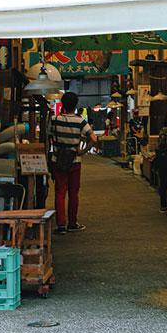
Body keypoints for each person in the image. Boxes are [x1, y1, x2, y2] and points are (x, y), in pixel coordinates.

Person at [51, 91, 97, 233]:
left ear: (63, 104)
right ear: (76, 105)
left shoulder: (54, 119)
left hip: (58, 160)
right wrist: (83, 151)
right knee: (73, 193)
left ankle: (61, 225)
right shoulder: (80, 121)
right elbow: (94, 138)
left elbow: (48, 137)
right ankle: (72, 223)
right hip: (74, 161)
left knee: (60, 192)